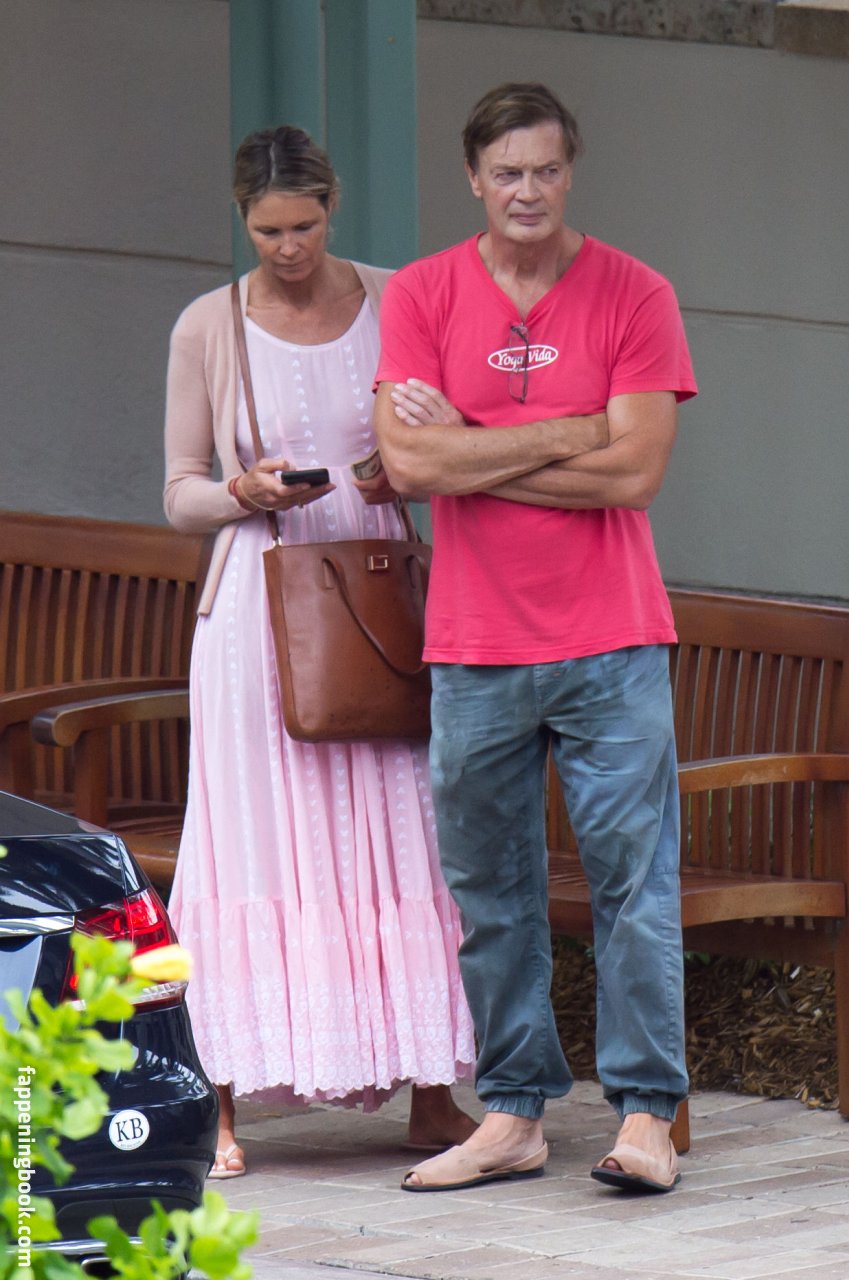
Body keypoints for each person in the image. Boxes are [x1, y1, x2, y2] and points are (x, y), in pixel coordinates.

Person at [373, 83, 698, 1194]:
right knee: (491, 891)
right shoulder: (422, 294)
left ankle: (647, 1114)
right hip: (474, 646)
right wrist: (573, 431)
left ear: (570, 173)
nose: (527, 190)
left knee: (633, 884)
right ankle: (512, 1112)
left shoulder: (635, 293)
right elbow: (409, 464)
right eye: (506, 171)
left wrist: (475, 441)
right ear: (473, 177)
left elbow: (635, 471)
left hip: (612, 637)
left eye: (546, 170)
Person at [164, 125, 475, 1179]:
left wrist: (400, 468)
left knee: (400, 831)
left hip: (379, 596)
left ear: (332, 207)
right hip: (257, 607)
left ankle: (431, 1092)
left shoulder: (397, 297)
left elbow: (451, 434)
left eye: (303, 226)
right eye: (267, 231)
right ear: (241, 221)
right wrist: (242, 491)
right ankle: (218, 1103)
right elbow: (178, 491)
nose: (288, 247)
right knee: (248, 840)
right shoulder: (208, 324)